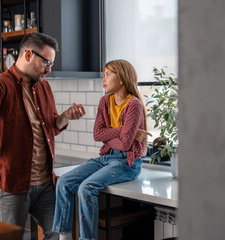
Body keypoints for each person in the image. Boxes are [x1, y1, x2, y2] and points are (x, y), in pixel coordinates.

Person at [0, 33, 86, 239]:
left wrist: (65, 117)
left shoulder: (44, 87)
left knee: (60, 234)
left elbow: (51, 127)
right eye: (46, 62)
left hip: (45, 184)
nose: (49, 69)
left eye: (52, 63)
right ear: (28, 55)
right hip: (12, 184)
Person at [52, 59, 151, 240]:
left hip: (127, 163)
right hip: (106, 158)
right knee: (63, 182)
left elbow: (125, 145)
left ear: (121, 78)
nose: (103, 79)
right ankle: (64, 237)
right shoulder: (104, 101)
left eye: (108, 74)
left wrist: (115, 136)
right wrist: (125, 131)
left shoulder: (134, 104)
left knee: (86, 188)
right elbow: (97, 134)